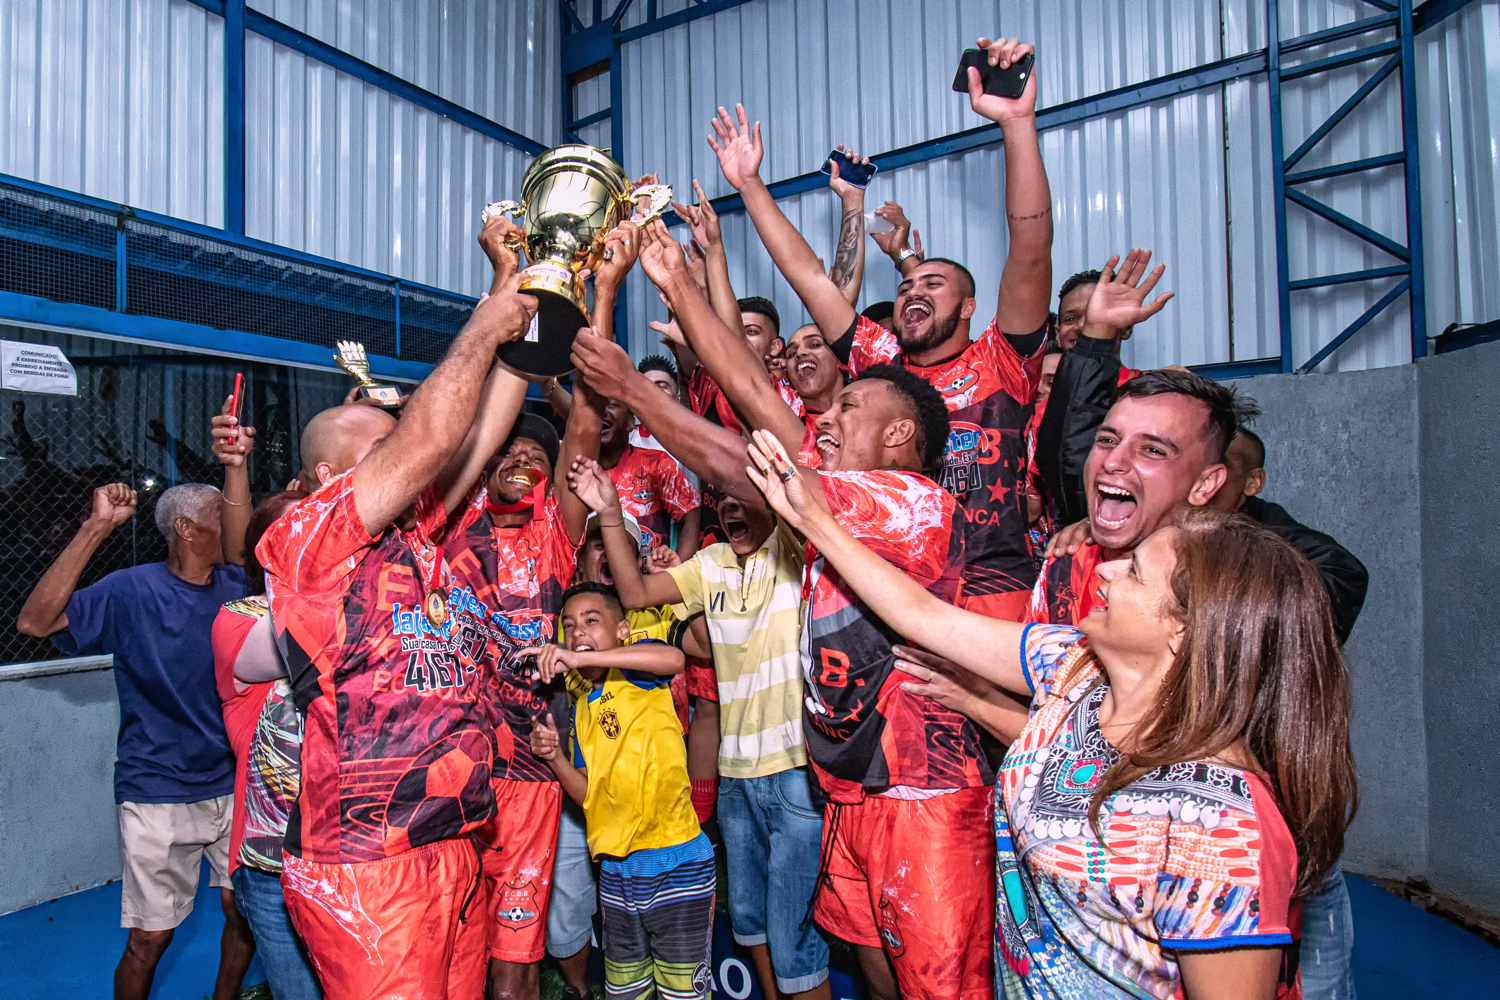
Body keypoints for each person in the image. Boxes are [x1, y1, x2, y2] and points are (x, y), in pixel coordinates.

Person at [745, 429, 1358, 1000]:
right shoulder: (1074, 665)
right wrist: (813, 518)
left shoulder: (1218, 825)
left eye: (1135, 571)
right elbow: (921, 616)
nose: (1106, 568)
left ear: (1183, 630)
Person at [255, 277, 539, 1000]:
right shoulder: (306, 540)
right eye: (385, 444)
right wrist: (482, 326)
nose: (410, 456)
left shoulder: (417, 536)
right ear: (329, 474)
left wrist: (526, 301)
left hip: (452, 835)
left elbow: (479, 432)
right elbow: (434, 436)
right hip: (365, 860)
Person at [708, 37, 1055, 622]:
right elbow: (810, 279)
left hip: (992, 595)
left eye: (934, 284)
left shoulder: (1002, 362)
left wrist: (1018, 126)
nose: (913, 290)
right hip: (888, 595)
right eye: (907, 286)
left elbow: (1030, 248)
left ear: (969, 307)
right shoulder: (880, 362)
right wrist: (750, 186)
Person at [18, 398, 257, 1000]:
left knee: (246, 912)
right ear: (185, 528)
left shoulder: (237, 587)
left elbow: (244, 537)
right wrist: (95, 528)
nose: (232, 523)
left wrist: (235, 465)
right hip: (157, 787)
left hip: (235, 781)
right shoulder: (131, 591)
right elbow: (35, 623)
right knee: (150, 939)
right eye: (218, 515)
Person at [568, 456, 830, 1000]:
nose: (731, 506)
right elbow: (635, 595)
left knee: (795, 940)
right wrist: (611, 510)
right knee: (749, 920)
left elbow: (679, 653)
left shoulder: (791, 546)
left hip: (794, 769)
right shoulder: (710, 563)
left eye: (742, 496)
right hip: (735, 772)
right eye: (723, 499)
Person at [526, 583, 715, 1000]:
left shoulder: (638, 673)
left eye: (592, 621)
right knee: (627, 991)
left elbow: (674, 658)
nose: (578, 632)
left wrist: (582, 659)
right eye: (569, 626)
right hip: (616, 871)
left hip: (675, 861)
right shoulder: (582, 707)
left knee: (683, 991)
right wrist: (555, 758)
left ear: (623, 631)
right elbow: (588, 794)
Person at [1029, 368, 1254, 628]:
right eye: (1107, 440)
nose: (1112, 462)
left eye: (1153, 450)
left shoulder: (1226, 600)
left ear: (1205, 484)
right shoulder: (1068, 560)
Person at [211, 488, 320, 1000]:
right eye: (297, 530)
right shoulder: (237, 617)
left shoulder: (361, 608)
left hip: (351, 851)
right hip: (271, 861)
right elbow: (296, 644)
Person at [1035, 251, 1171, 526]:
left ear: (1127, 327)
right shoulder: (1045, 407)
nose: (1083, 327)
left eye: (1094, 315)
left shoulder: (1159, 392)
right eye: (1071, 319)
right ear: (1057, 332)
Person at [1211, 428, 1369, 644]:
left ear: (1253, 482)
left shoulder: (1278, 537)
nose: (1204, 478)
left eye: (1219, 466)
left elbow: (1342, 578)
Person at [598, 394, 702, 557]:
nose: (602, 411)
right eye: (597, 406)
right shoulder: (580, 472)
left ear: (631, 422)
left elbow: (692, 515)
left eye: (611, 405)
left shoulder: (657, 464)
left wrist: (679, 568)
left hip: (651, 571)